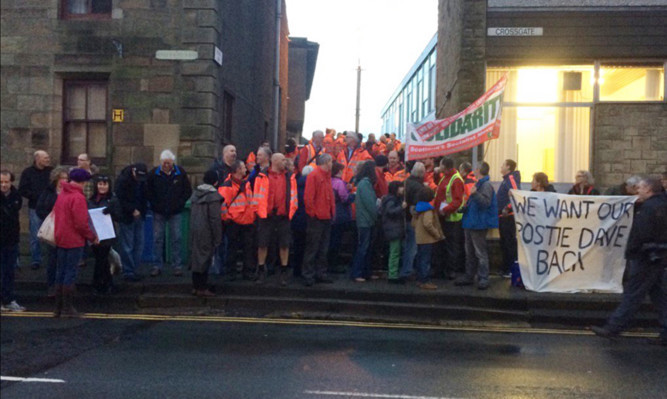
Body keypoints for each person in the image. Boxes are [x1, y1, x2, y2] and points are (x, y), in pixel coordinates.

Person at [592, 177, 666, 346]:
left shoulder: (650, 208)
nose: (637, 190)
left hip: (646, 257)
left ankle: (614, 327)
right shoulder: (660, 205)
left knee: (633, 294)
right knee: (660, 296)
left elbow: (641, 234)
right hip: (657, 256)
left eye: (639, 188)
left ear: (648, 189)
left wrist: (632, 251)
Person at [53, 168, 99, 317]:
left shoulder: (62, 194)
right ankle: (68, 308)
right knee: (70, 273)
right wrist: (92, 237)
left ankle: (58, 308)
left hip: (60, 237)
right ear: (83, 182)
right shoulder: (78, 198)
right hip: (74, 240)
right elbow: (81, 223)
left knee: (60, 272)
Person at [255, 153, 298, 286]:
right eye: (283, 159)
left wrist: (291, 211)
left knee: (284, 245)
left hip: (283, 215)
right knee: (262, 244)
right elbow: (257, 195)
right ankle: (261, 270)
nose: (285, 162)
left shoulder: (289, 177)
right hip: (266, 215)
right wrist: (258, 211)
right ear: (275, 161)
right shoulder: (262, 176)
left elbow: (294, 196)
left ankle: (283, 272)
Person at [147, 150, 192, 277]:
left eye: (169, 163)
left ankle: (177, 266)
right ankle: (157, 266)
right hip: (158, 211)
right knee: (157, 239)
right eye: (164, 163)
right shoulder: (153, 174)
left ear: (173, 162)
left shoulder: (180, 173)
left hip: (175, 211)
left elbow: (187, 190)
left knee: (176, 238)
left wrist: (180, 203)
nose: (166, 165)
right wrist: (155, 204)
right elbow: (148, 191)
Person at [457, 162, 499, 290]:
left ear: (479, 170)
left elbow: (485, 203)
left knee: (479, 252)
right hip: (472, 221)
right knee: (470, 252)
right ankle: (470, 276)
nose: (474, 170)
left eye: (476, 168)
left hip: (478, 223)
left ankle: (483, 278)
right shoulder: (479, 184)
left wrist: (474, 194)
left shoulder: (485, 185)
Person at [219, 161, 256, 281]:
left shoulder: (245, 184)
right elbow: (223, 205)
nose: (246, 169)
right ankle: (232, 272)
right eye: (243, 167)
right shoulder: (227, 186)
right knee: (234, 248)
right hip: (235, 222)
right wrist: (227, 219)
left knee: (245, 248)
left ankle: (243, 272)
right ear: (238, 170)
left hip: (246, 220)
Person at [302, 154, 336, 286]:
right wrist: (313, 214)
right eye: (331, 162)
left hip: (324, 216)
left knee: (322, 247)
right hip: (318, 218)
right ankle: (310, 274)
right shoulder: (315, 176)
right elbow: (308, 198)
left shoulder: (324, 176)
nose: (332, 164)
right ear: (326, 162)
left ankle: (319, 273)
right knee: (313, 247)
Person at [189, 170, 223, 297]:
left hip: (194, 229)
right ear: (215, 182)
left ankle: (195, 286)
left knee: (196, 257)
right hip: (207, 231)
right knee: (205, 258)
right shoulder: (213, 197)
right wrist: (218, 238)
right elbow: (215, 220)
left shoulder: (196, 194)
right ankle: (202, 288)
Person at [36, 167, 70, 296]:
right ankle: (51, 285)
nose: (64, 181)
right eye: (62, 178)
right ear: (56, 179)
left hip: (67, 229)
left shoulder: (70, 192)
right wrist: (51, 215)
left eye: (66, 178)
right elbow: (40, 209)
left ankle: (63, 286)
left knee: (65, 260)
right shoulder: (48, 192)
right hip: (53, 229)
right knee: (52, 259)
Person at [19, 150, 53, 270]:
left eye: (48, 158)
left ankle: (52, 259)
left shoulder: (51, 172)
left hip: (50, 208)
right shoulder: (28, 172)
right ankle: (36, 259)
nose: (48, 160)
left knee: (52, 234)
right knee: (35, 235)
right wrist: (36, 196)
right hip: (35, 207)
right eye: (45, 158)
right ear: (37, 159)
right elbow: (22, 189)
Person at [115, 163, 149, 282]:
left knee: (139, 244)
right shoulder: (122, 180)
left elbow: (145, 196)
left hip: (140, 215)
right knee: (127, 245)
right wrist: (132, 209)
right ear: (133, 171)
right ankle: (128, 271)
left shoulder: (143, 180)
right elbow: (119, 199)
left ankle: (134, 269)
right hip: (127, 217)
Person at [434, 157, 465, 280]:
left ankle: (451, 270)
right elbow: (439, 187)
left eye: (440, 166)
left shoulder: (456, 179)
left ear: (445, 168)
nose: (439, 167)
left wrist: (444, 210)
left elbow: (457, 201)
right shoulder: (446, 176)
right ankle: (443, 269)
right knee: (443, 245)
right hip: (444, 217)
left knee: (451, 246)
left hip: (452, 219)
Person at [209, 144, 237, 274]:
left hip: (233, 211)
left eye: (235, 151)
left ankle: (227, 267)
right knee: (219, 240)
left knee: (230, 241)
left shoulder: (236, 169)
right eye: (231, 151)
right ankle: (218, 268)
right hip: (219, 208)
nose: (234, 153)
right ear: (225, 153)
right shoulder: (217, 169)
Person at [87, 174, 117, 295]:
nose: (102, 187)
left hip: (107, 234)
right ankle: (107, 283)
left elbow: (119, 215)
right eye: (100, 184)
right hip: (94, 234)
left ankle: (97, 284)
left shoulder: (113, 199)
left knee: (101, 259)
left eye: (105, 184)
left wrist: (112, 211)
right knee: (101, 260)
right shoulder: (91, 200)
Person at [1, 170, 25, 312]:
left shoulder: (16, 196)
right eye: (1, 182)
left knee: (9, 272)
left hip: (11, 239)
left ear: (11, 182)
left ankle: (8, 299)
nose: (4, 185)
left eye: (6, 182)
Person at [351, 161, 378, 282]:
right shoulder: (365, 184)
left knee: (367, 247)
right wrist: (376, 214)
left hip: (366, 220)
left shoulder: (363, 183)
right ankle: (357, 273)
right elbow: (370, 204)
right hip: (365, 221)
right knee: (363, 247)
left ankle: (366, 272)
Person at [399, 162, 427, 281]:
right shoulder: (419, 187)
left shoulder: (405, 182)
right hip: (413, 221)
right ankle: (406, 271)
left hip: (402, 219)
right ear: (421, 174)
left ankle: (404, 269)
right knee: (412, 247)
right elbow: (416, 207)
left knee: (406, 246)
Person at [413, 188, 442, 290]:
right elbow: (428, 224)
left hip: (419, 237)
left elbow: (414, 223)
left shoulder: (417, 208)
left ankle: (420, 279)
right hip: (427, 238)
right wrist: (436, 234)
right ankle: (425, 281)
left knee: (420, 259)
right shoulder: (428, 209)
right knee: (426, 260)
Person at [497, 159, 521, 278]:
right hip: (502, 216)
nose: (501, 167)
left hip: (508, 217)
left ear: (508, 167)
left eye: (503, 165)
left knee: (509, 243)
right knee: (504, 243)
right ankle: (506, 268)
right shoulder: (506, 180)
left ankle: (511, 269)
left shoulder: (511, 179)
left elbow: (516, 195)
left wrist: (508, 208)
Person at [329, 162, 352, 274]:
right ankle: (334, 265)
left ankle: (329, 264)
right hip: (340, 215)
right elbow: (345, 199)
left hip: (330, 215)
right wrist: (353, 195)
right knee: (336, 241)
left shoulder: (329, 181)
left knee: (330, 240)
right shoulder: (339, 183)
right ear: (338, 171)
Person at [291, 166, 313, 277]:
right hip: (308, 219)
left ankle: (296, 269)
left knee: (297, 245)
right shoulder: (310, 187)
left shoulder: (296, 185)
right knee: (307, 246)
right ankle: (305, 270)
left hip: (296, 220)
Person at [381, 181, 405, 284]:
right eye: (400, 187)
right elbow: (390, 212)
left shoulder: (390, 199)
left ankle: (393, 273)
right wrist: (402, 207)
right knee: (395, 252)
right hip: (394, 229)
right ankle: (392, 274)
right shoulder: (392, 200)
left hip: (392, 228)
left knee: (395, 252)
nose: (403, 189)